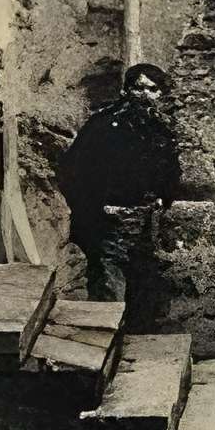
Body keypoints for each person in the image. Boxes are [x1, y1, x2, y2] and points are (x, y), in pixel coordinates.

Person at [56, 62, 180, 313]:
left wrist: (162, 198)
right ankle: (105, 337)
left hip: (143, 219)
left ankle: (133, 337)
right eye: (138, 88)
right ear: (126, 91)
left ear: (160, 94)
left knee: (140, 283)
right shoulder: (102, 126)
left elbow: (170, 168)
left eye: (152, 90)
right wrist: (96, 207)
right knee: (108, 286)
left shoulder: (160, 129)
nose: (145, 95)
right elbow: (71, 171)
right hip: (106, 221)